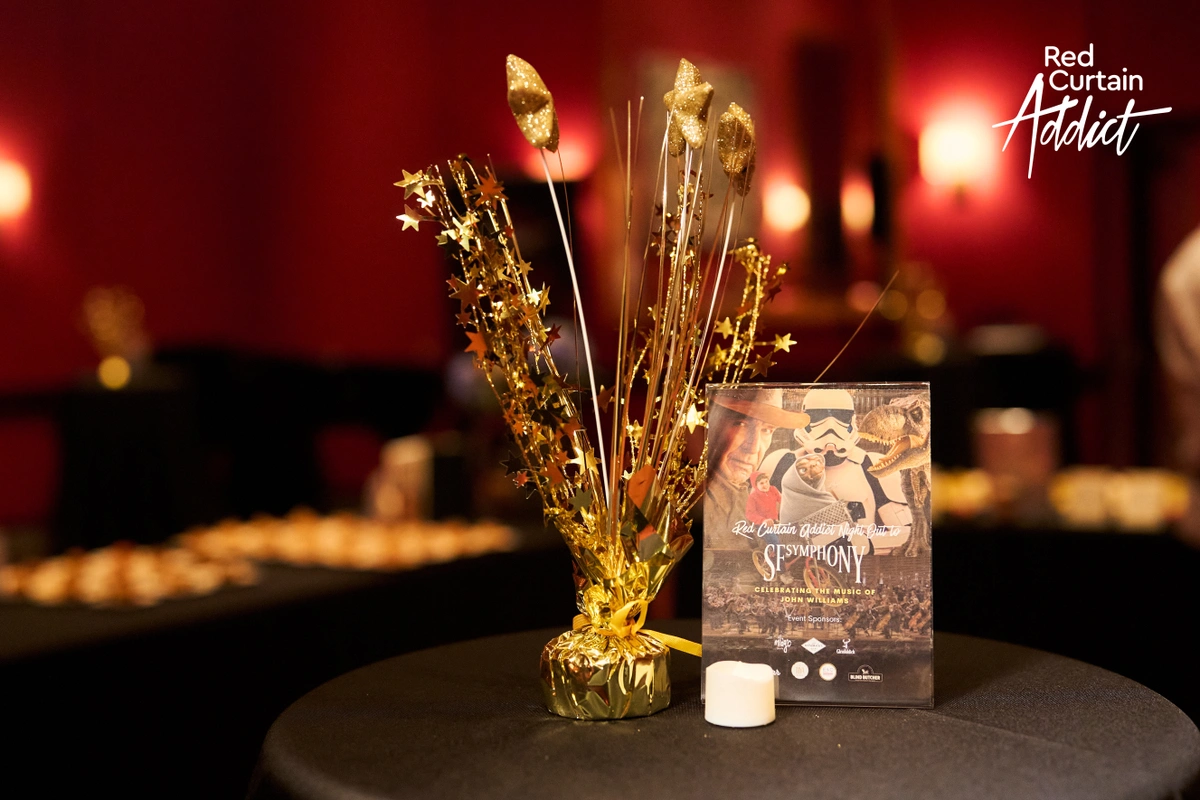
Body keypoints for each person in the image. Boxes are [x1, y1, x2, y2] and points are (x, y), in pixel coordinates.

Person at [705, 388, 809, 547]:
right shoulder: (695, 502)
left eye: (767, 430)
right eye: (741, 424)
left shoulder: (744, 493)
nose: (753, 448)